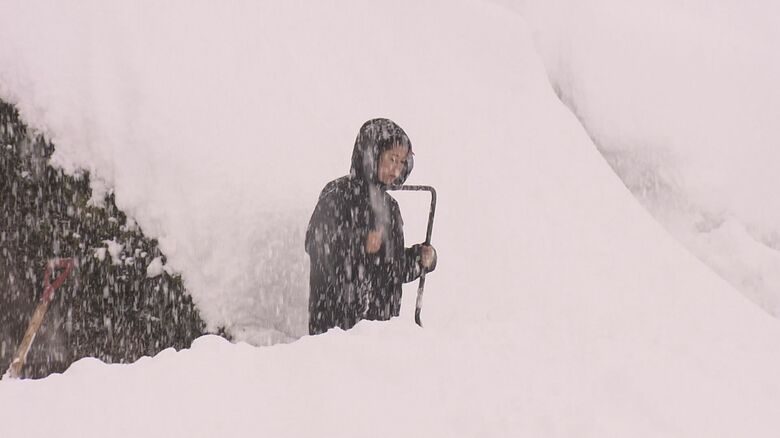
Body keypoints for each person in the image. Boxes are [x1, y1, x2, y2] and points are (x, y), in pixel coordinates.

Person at [305, 118, 437, 335]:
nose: (396, 169)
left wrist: (419, 260)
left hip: (379, 335)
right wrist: (359, 243)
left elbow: (391, 268)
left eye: (402, 162)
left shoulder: (390, 208)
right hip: (335, 331)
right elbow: (316, 243)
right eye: (392, 159)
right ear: (370, 155)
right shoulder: (338, 195)